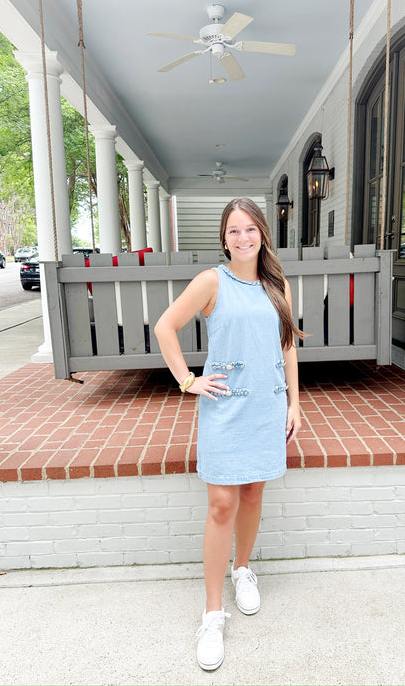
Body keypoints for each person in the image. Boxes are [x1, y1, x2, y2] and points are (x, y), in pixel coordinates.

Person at [154, 197, 302, 671]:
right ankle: (212, 613)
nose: (243, 238)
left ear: (262, 232)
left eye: (250, 229)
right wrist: (188, 381)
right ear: (224, 237)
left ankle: (244, 570)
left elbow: (287, 347)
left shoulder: (277, 285)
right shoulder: (211, 281)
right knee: (222, 503)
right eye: (234, 231)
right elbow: (165, 327)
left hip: (266, 406)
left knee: (254, 493)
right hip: (224, 410)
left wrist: (295, 402)